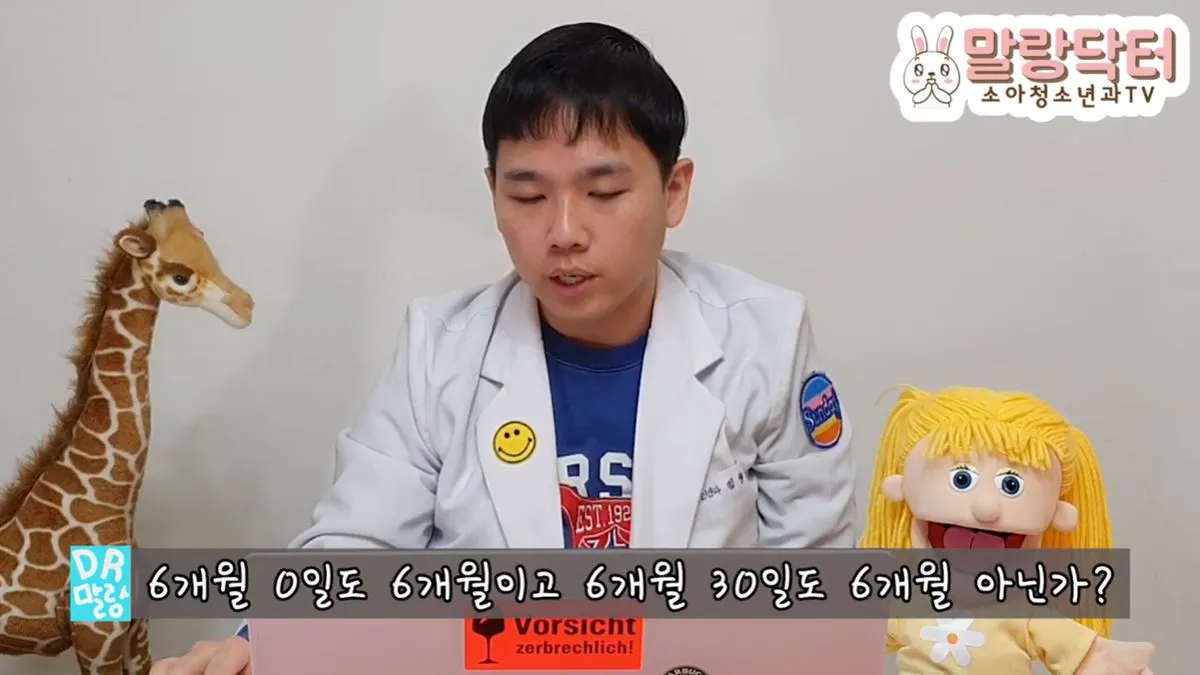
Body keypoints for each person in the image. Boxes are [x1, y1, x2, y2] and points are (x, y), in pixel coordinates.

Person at [150, 21, 857, 675]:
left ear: (674, 191)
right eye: (528, 197)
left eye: (604, 192)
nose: (565, 233)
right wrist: (260, 644)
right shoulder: (439, 350)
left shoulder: (764, 339)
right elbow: (359, 546)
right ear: (493, 194)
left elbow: (814, 590)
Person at [860, 386, 1155, 675]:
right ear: (899, 489)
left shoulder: (1024, 613)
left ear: (1058, 514)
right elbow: (851, 636)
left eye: (1010, 485)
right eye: (962, 479)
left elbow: (1085, 657)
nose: (986, 508)